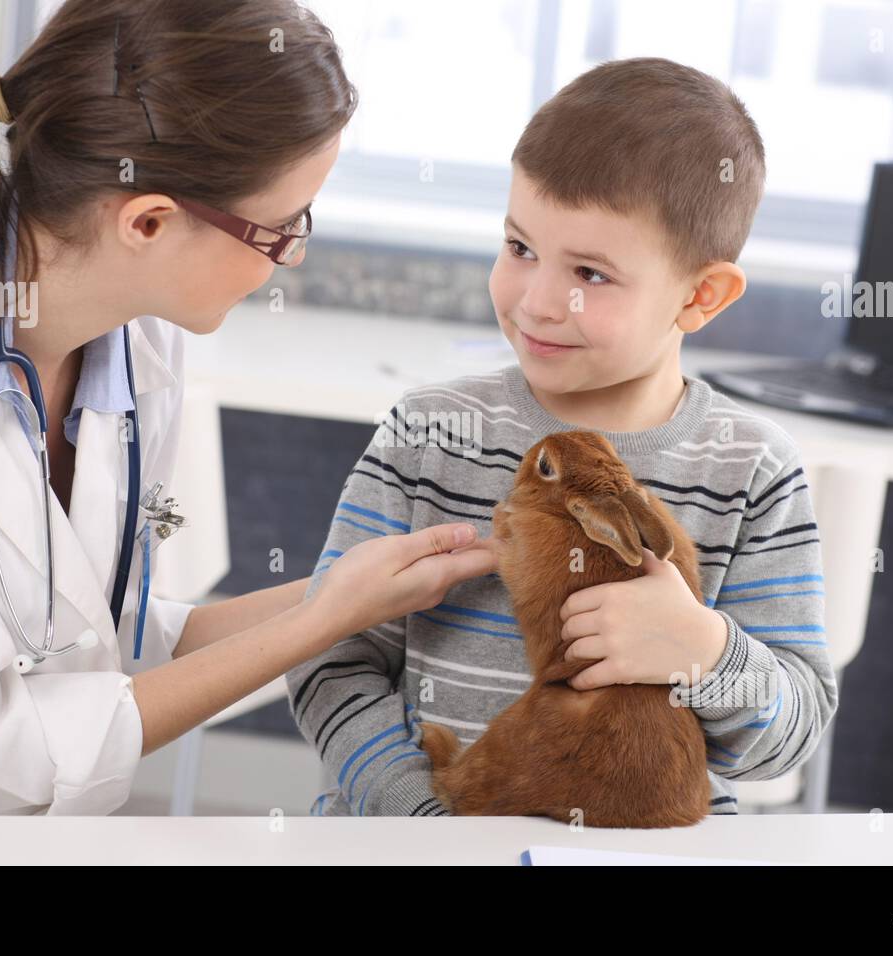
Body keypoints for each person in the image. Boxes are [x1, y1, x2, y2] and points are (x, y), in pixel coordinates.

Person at [0, 0, 496, 815]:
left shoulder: (138, 345)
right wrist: (319, 622)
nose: (293, 257)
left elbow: (102, 642)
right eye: (280, 229)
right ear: (148, 221)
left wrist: (356, 594)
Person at [286, 58, 839, 817]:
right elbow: (329, 657)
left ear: (700, 295)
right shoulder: (428, 432)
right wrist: (423, 820)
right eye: (520, 248)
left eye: (591, 274)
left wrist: (707, 654)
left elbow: (791, 734)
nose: (539, 302)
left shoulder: (754, 472)